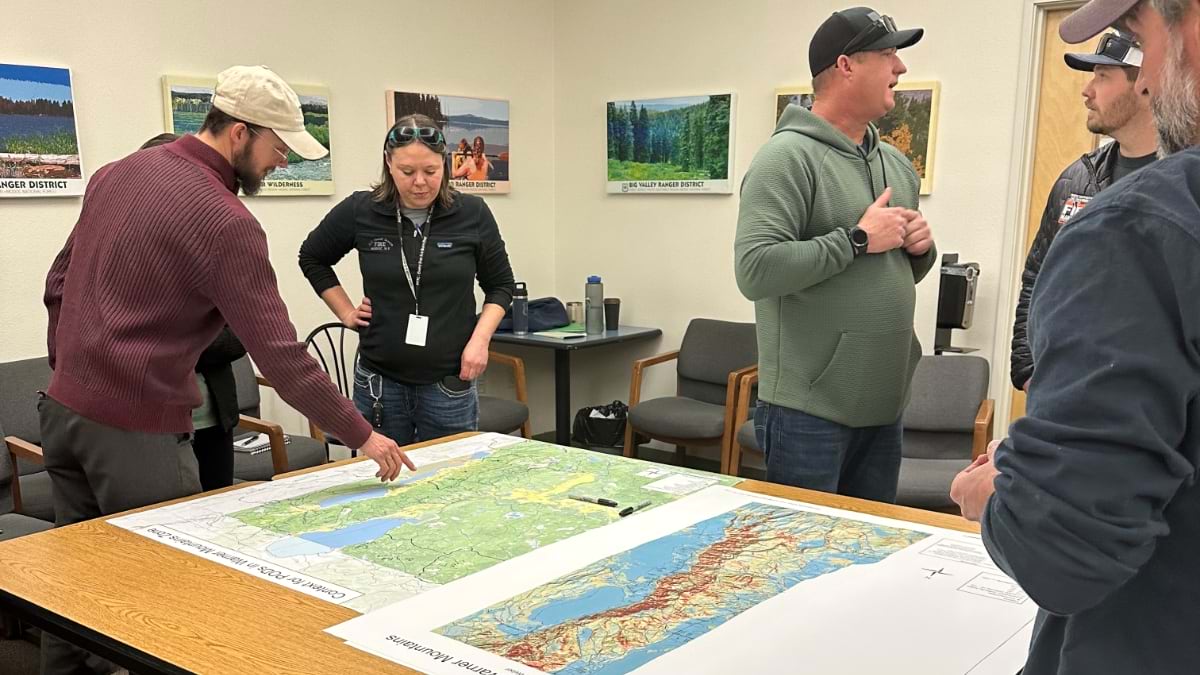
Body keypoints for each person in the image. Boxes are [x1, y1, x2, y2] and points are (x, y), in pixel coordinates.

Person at [41, 65, 413, 674]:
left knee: (74, 589)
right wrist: (363, 434)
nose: (282, 163)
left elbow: (57, 283)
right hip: (136, 434)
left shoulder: (116, 173)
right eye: (278, 148)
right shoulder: (226, 221)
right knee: (169, 603)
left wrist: (71, 372)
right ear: (240, 132)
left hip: (62, 413)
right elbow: (282, 358)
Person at [951, 1, 1200, 672]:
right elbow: (1035, 278)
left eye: (1141, 41)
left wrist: (999, 494)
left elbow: (1063, 547)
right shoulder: (1081, 183)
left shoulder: (1143, 223)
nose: (1149, 78)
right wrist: (1042, 382)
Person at [734, 7, 936, 503]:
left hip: (884, 406)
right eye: (887, 54)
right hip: (809, 413)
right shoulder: (785, 159)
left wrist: (919, 249)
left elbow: (890, 273)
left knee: (870, 546)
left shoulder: (896, 165)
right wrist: (857, 241)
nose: (900, 67)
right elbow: (755, 270)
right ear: (846, 66)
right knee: (802, 546)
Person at [299, 114, 515, 445]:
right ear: (388, 164)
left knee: (450, 474)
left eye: (430, 171)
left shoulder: (472, 213)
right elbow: (312, 257)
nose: (420, 182)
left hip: (449, 383)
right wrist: (345, 312)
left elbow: (501, 286)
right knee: (385, 476)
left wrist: (480, 341)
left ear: (444, 164)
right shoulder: (361, 210)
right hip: (380, 384)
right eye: (407, 171)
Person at [1011, 29, 1157, 392]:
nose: (1087, 91)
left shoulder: (1186, 181)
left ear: (1144, 85)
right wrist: (1028, 369)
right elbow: (1038, 275)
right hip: (1069, 389)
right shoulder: (1077, 179)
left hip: (1152, 397)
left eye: (1103, 77)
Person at [141, 132, 246, 491]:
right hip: (152, 424)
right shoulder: (130, 250)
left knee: (220, 505)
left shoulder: (216, 242)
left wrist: (178, 343)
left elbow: (240, 337)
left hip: (213, 417)